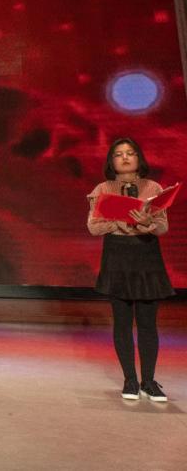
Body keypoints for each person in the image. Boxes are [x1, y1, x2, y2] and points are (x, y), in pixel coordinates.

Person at [87, 138, 174, 402]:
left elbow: (163, 227)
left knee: (147, 322)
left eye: (130, 153)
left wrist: (147, 222)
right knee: (122, 322)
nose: (125, 158)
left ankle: (149, 381)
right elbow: (93, 227)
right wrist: (119, 218)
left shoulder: (153, 187)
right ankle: (130, 380)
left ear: (139, 158)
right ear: (111, 161)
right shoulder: (103, 188)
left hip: (146, 255)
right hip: (117, 256)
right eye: (118, 154)